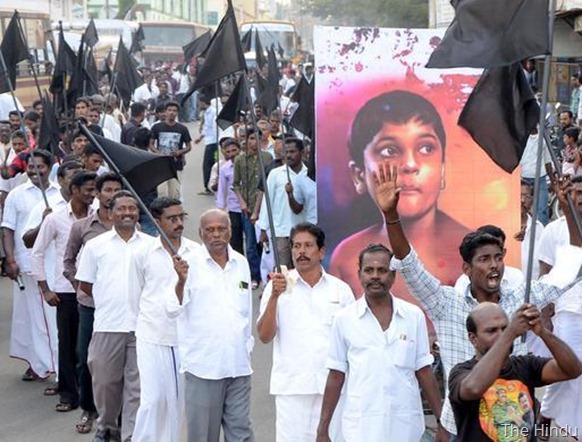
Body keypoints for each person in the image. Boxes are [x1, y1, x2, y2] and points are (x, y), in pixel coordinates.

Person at [375, 161, 582, 438]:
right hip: (460, 424)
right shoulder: (445, 303)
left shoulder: (523, 298)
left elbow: (570, 264)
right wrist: (391, 215)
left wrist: (568, 210)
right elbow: (408, 263)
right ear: (467, 270)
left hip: (514, 428)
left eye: (498, 258)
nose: (494, 265)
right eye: (484, 259)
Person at [329, 90, 471, 300]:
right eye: (390, 151)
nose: (410, 165)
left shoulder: (471, 250)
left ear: (442, 170)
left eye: (425, 148)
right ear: (359, 175)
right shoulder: (346, 258)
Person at [316, 243, 446, 442]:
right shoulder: (344, 319)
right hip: (361, 427)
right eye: (369, 270)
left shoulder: (413, 316)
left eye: (382, 270)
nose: (375, 276)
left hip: (405, 426)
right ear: (360, 275)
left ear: (393, 275)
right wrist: (322, 430)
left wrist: (441, 422)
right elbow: (336, 375)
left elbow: (424, 371)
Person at [257, 223, 355, 442]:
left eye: (308, 245)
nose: (301, 252)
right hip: (292, 390)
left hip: (333, 389)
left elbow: (352, 341)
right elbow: (264, 336)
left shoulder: (340, 290)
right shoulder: (278, 287)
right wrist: (274, 297)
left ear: (321, 252)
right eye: (296, 246)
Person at [169, 209, 254, 442]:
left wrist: (247, 347)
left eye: (221, 229)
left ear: (230, 231)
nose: (216, 235)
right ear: (200, 233)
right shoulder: (186, 265)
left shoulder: (241, 263)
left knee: (241, 434)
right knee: (203, 436)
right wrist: (180, 281)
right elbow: (171, 309)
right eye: (210, 230)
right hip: (204, 367)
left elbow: (246, 311)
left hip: (238, 365)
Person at [76, 190, 150, 442]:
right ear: (110, 212)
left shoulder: (150, 246)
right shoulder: (96, 247)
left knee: (136, 388)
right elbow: (85, 285)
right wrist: (110, 301)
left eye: (132, 208)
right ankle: (107, 426)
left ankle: (130, 435)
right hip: (108, 324)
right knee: (105, 382)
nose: (127, 213)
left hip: (142, 328)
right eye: (122, 208)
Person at [448, 303, 582, 441]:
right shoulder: (461, 372)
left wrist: (542, 332)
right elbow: (473, 388)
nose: (501, 335)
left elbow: (573, 369)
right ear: (473, 338)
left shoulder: (526, 364)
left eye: (505, 328)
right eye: (492, 331)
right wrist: (509, 334)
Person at [131, 197, 200, 442]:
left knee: (178, 402)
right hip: (152, 335)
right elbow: (134, 296)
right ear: (157, 221)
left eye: (182, 217)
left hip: (184, 338)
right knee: (153, 400)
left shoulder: (196, 252)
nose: (179, 223)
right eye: (172, 219)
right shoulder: (142, 253)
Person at [30, 171, 97, 412]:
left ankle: (91, 395)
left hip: (93, 290)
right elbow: (36, 253)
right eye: (88, 189)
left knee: (89, 346)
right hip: (66, 291)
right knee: (67, 345)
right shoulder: (55, 219)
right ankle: (69, 394)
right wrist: (45, 289)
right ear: (75, 190)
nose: (92, 194)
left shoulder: (99, 219)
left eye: (94, 190)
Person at [63, 172, 123, 435]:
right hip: (91, 305)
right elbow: (68, 261)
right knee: (86, 358)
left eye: (117, 190)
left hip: (121, 305)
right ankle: (89, 409)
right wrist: (80, 288)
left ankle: (116, 414)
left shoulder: (130, 226)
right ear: (97, 194)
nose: (112, 194)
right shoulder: (82, 227)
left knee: (120, 361)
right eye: (107, 189)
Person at [1, 150, 60, 381]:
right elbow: (8, 229)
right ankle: (41, 364)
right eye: (30, 167)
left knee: (51, 318)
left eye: (40, 167)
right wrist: (10, 259)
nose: (35, 171)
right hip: (26, 264)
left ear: (50, 167)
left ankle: (52, 362)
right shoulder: (16, 195)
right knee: (33, 318)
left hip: (54, 265)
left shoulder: (59, 194)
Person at [536, 175, 582, 436]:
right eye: (576, 192)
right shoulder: (555, 230)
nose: (581, 196)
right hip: (567, 312)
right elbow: (545, 272)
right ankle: (543, 421)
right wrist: (544, 315)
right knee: (567, 370)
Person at [257, 138, 308, 269]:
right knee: (283, 268)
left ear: (302, 152)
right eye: (286, 152)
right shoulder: (275, 174)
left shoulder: (309, 173)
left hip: (303, 230)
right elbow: (267, 201)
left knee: (301, 268)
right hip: (280, 230)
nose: (289, 155)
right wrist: (263, 229)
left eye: (292, 151)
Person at [232, 128, 273, 288]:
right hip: (248, 207)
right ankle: (254, 276)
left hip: (264, 208)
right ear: (246, 140)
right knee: (250, 245)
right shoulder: (240, 160)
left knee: (264, 243)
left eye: (257, 138)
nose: (254, 142)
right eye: (251, 138)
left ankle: (267, 275)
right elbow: (236, 184)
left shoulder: (268, 158)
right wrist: (241, 202)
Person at [151, 101, 192, 200]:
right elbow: (151, 144)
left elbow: (189, 146)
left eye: (174, 110)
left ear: (177, 113)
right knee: (161, 193)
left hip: (176, 164)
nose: (172, 113)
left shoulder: (182, 129)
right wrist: (158, 153)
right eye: (169, 110)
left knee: (174, 194)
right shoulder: (157, 127)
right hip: (161, 164)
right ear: (165, 112)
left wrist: (179, 152)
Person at [216, 138, 244, 254]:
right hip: (234, 208)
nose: (232, 154)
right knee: (235, 241)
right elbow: (221, 191)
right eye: (228, 152)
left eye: (234, 150)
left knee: (253, 243)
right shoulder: (224, 169)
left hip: (249, 208)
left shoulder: (246, 164)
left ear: (239, 150)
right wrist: (220, 211)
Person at [194, 96, 218, 195]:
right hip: (210, 140)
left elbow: (213, 127)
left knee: (208, 165)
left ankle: (209, 187)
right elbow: (207, 127)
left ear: (203, 103)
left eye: (199, 103)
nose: (199, 105)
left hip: (213, 141)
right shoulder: (207, 112)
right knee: (210, 164)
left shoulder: (213, 112)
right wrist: (201, 137)